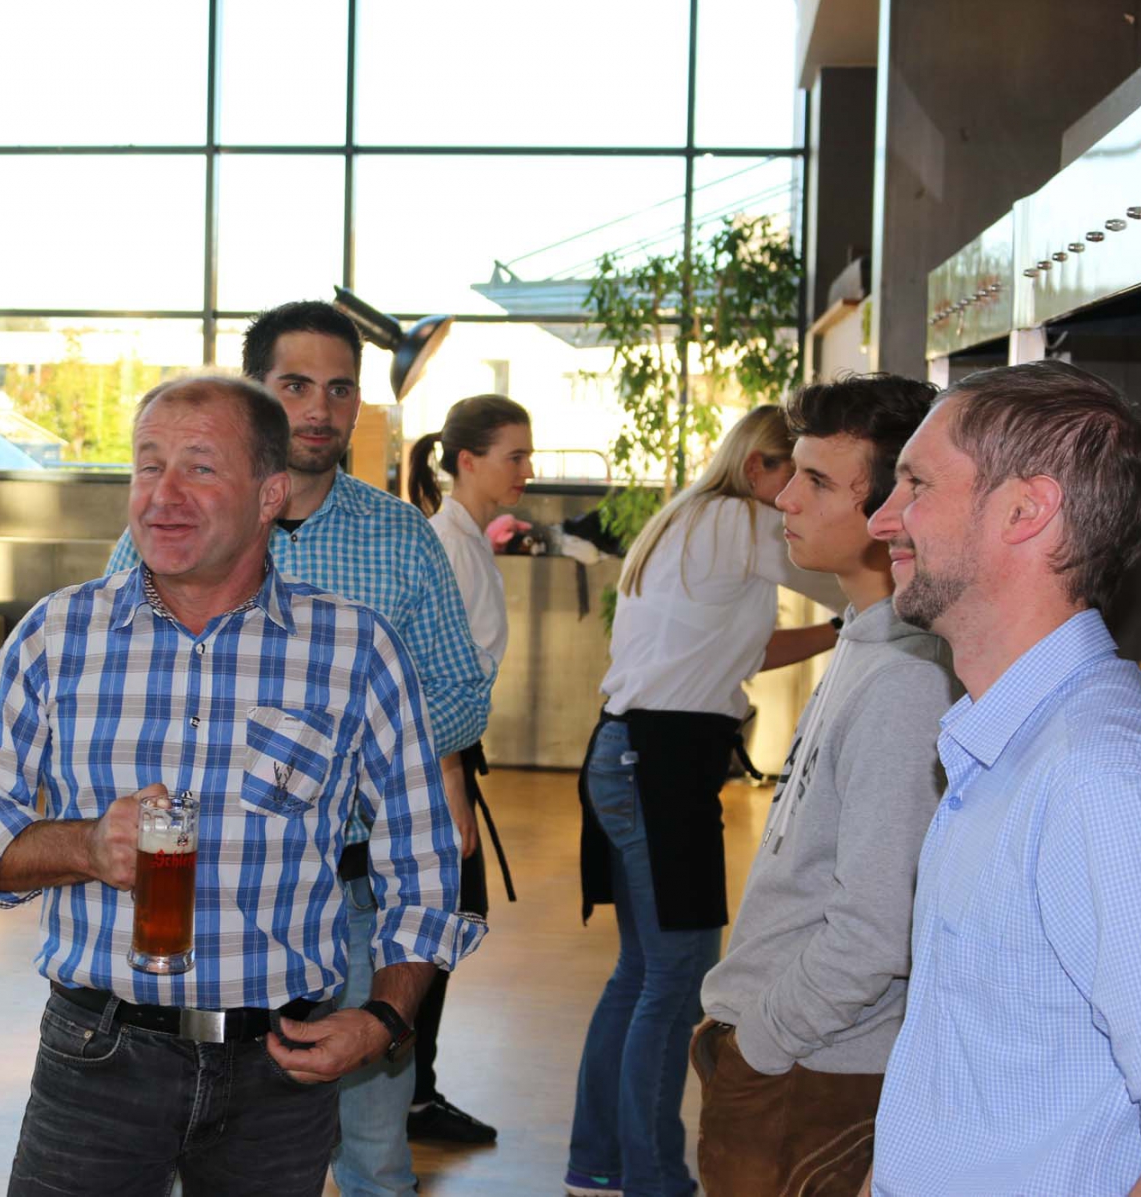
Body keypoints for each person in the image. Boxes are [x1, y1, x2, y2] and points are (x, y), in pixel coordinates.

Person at [0, 375, 483, 1197]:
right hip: (97, 1057)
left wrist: (383, 1017)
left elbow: (424, 860)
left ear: (269, 496)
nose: (163, 495)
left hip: (279, 1072)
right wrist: (86, 846)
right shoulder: (56, 635)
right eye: (147, 465)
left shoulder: (352, 649)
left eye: (199, 467)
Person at [106, 299, 492, 1197]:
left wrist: (355, 749)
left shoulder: (401, 539)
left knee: (374, 1152)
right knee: (195, 1135)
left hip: (355, 891)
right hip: (203, 889)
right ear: (254, 393)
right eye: (295, 385)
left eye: (340, 389)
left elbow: (462, 694)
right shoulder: (169, 526)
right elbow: (118, 675)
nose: (320, 409)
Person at [863, 361, 1141, 1196]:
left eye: (916, 484)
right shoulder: (1011, 746)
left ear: (1026, 510)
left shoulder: (1106, 780)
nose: (884, 518)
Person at [566, 405, 847, 1197]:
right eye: (798, 475)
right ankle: (653, 1180)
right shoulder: (742, 522)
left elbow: (742, 649)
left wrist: (838, 634)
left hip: (631, 751)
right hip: (658, 762)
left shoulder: (689, 518)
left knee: (642, 973)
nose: (800, 499)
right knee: (675, 977)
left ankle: (599, 1166)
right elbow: (844, 567)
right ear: (758, 467)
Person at [690, 375, 959, 1196]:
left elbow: (876, 930)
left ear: (892, 510)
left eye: (815, 480)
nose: (785, 500)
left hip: (813, 1072)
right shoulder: (868, 644)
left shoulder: (907, 680)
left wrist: (761, 1044)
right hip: (786, 1059)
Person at [403, 394, 534, 1144]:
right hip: (433, 763)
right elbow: (428, 678)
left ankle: (414, 1090)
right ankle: (407, 1095)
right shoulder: (446, 545)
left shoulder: (467, 540)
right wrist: (450, 779)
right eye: (514, 456)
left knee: (445, 927)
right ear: (467, 461)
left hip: (448, 760)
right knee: (433, 927)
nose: (527, 470)